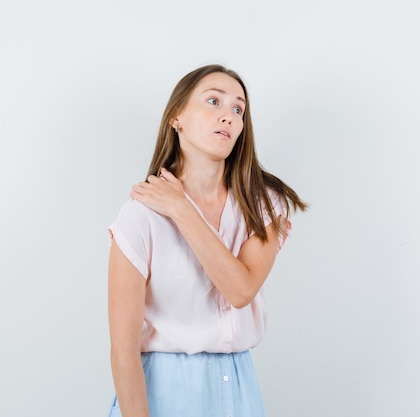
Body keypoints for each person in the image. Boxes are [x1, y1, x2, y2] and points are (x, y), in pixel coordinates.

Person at [106, 64, 307, 417]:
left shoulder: (264, 205)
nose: (228, 116)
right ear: (176, 117)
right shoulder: (140, 216)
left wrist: (182, 210)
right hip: (161, 391)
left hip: (240, 385)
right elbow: (123, 350)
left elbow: (240, 290)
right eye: (213, 101)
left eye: (237, 109)